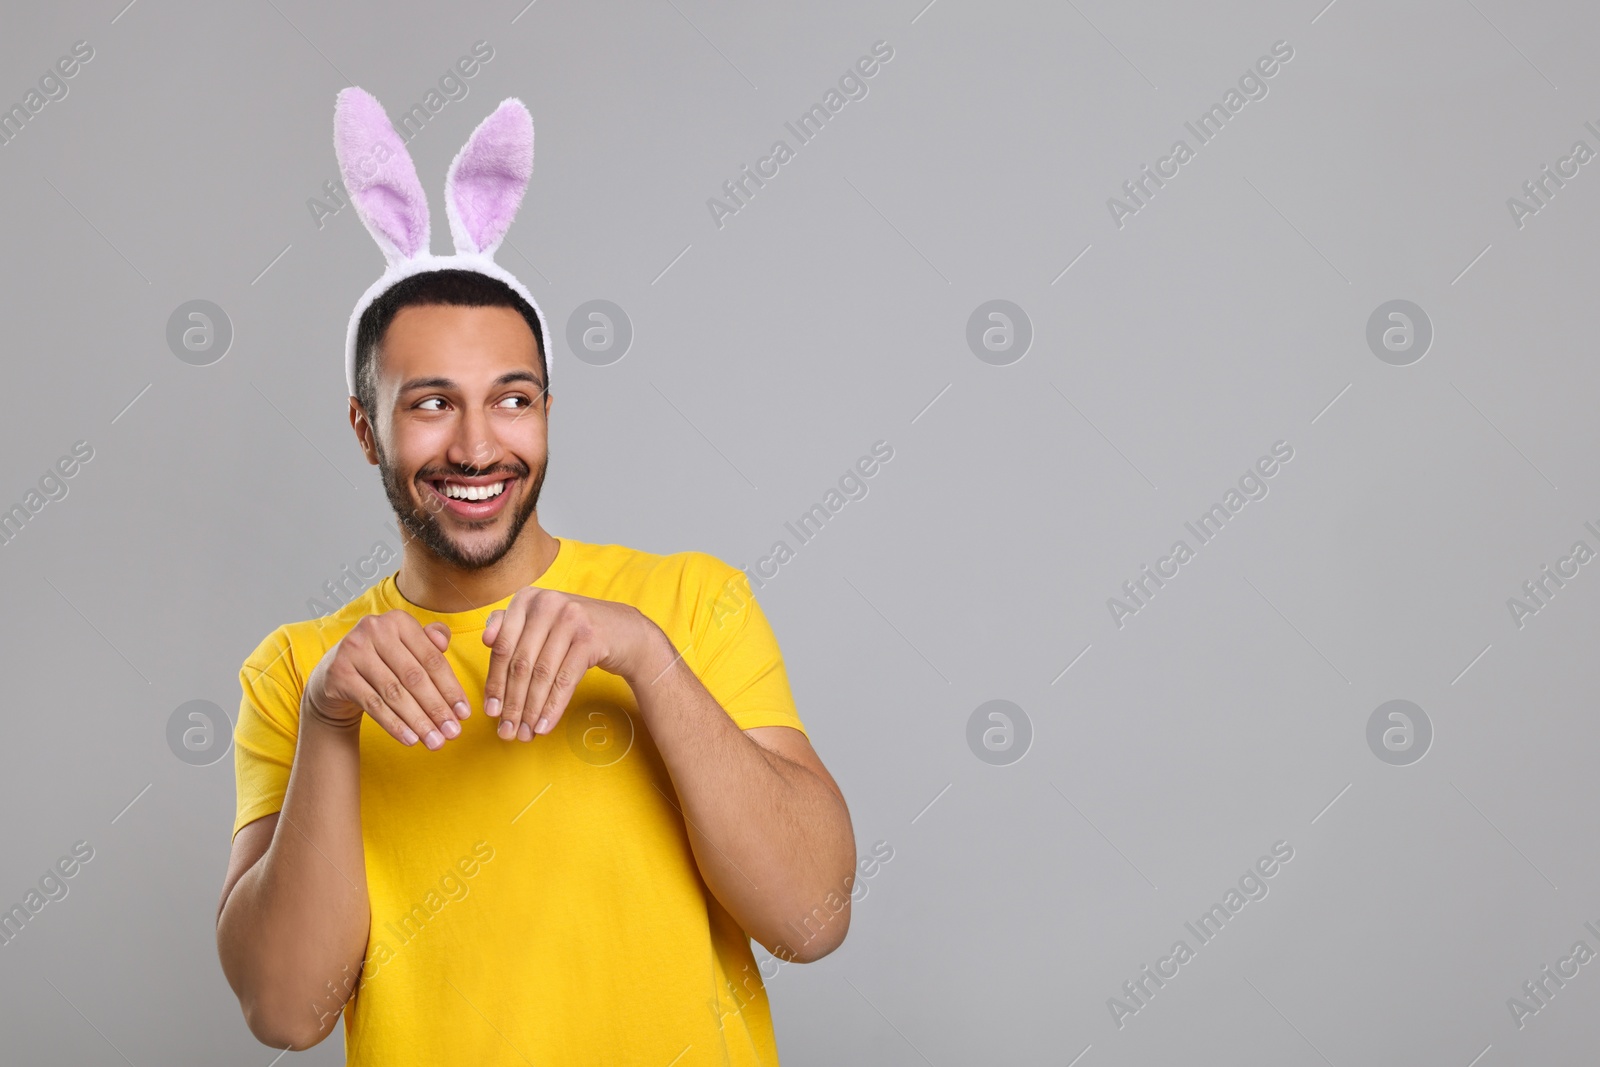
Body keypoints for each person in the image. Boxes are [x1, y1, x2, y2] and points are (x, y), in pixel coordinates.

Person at [214, 87, 856, 1066]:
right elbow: (287, 1010)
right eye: (430, 404)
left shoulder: (693, 602)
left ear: (546, 408)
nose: (478, 445)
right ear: (364, 429)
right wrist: (329, 719)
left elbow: (811, 918)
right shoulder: (298, 673)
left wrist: (646, 660)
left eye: (511, 399)